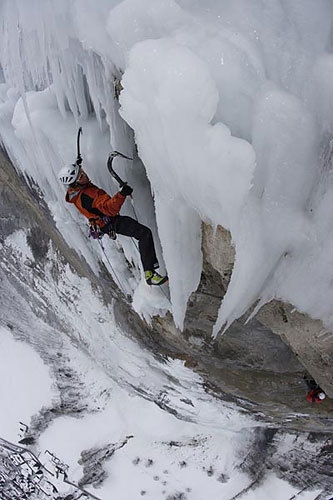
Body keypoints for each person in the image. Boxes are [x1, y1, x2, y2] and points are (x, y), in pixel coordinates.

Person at [58, 162, 168, 286]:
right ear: (75, 183)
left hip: (103, 224)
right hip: (111, 222)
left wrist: (77, 164)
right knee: (144, 234)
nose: (85, 175)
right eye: (81, 176)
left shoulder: (74, 193)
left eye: (82, 172)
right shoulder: (89, 195)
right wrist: (122, 194)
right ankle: (150, 274)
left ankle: (150, 272)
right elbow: (110, 208)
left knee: (142, 233)